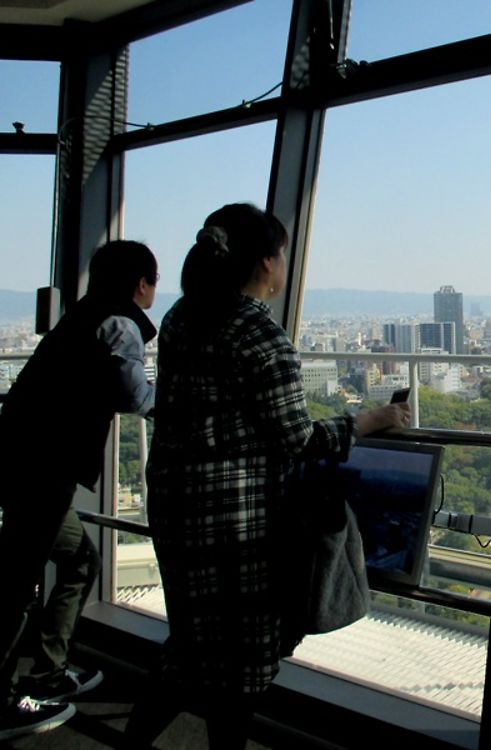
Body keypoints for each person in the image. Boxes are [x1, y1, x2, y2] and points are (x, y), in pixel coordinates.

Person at [125, 203, 409, 749]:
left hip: (177, 503)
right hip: (236, 521)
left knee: (190, 642)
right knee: (244, 658)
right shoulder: (259, 334)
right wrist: (372, 420)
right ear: (265, 263)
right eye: (282, 256)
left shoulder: (181, 317)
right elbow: (298, 438)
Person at [0, 240, 158, 740]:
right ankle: (3, 701)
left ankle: (47, 669)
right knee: (16, 580)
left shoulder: (80, 318)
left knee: (77, 560)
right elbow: (136, 395)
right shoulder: (120, 323)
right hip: (44, 471)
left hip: (21, 461)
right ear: (140, 285)